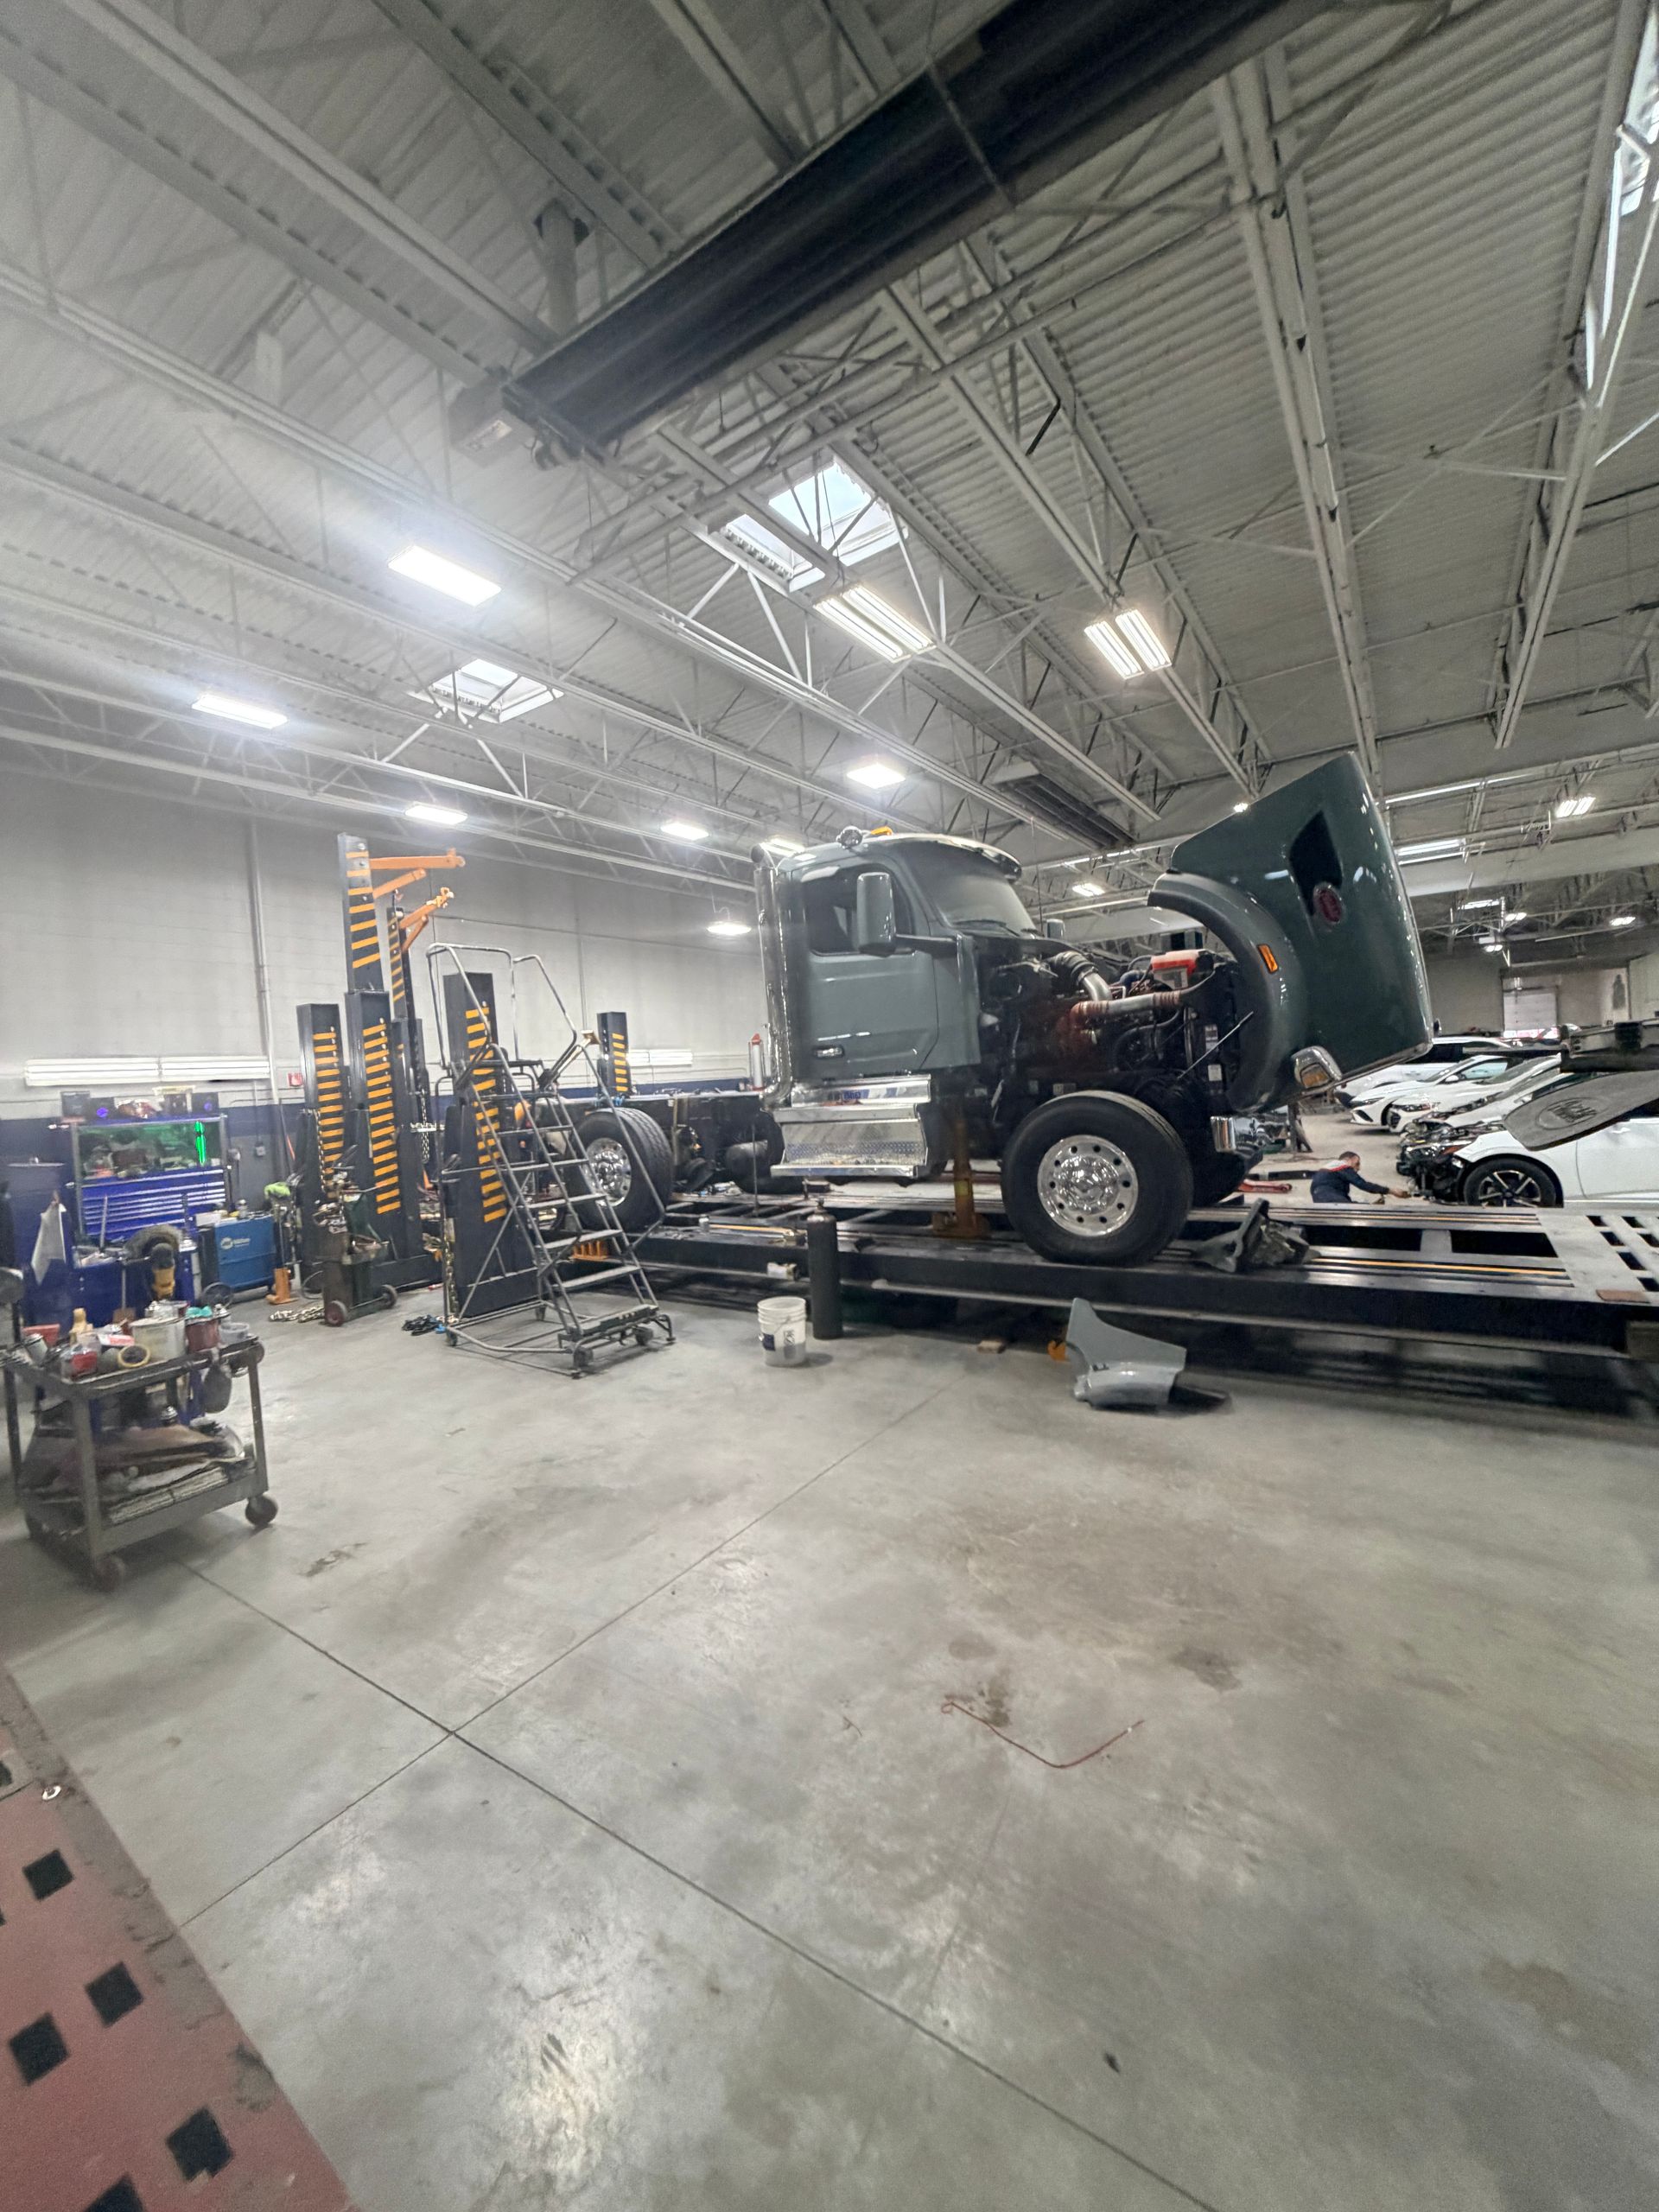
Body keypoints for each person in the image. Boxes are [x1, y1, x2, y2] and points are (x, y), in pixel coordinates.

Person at [1310, 1151, 1408, 1204]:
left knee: (1353, 1206)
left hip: (1320, 1197)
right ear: (1348, 1160)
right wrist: (1390, 1191)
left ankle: (1369, 1207)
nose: (1358, 1168)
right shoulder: (1342, 1165)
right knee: (1353, 1210)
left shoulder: (1331, 1170)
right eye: (1357, 1164)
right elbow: (1362, 1184)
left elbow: (1342, 1196)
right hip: (1328, 1197)